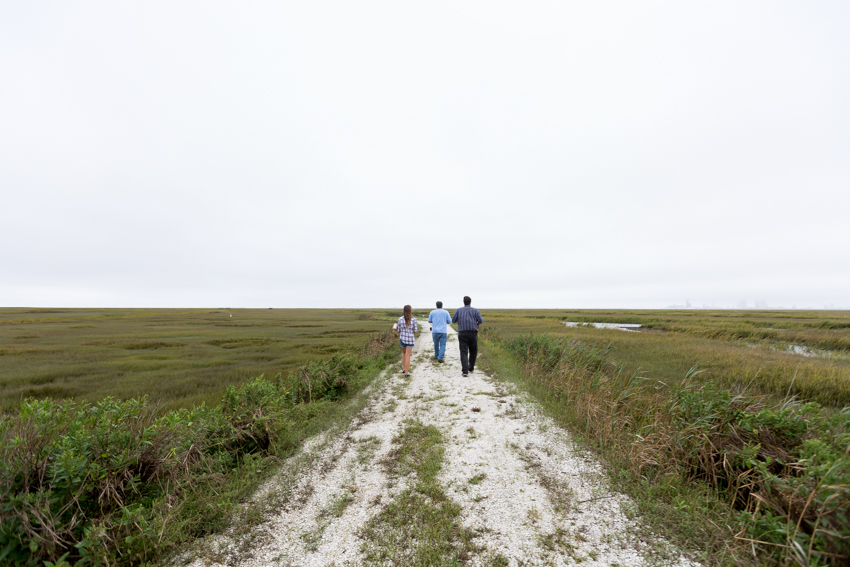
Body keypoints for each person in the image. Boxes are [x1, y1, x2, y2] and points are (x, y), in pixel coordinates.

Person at [451, 296, 483, 377]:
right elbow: (481, 320)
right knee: (473, 351)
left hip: (462, 333)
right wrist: (477, 324)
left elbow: (453, 320)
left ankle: (465, 371)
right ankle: (471, 367)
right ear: (470, 302)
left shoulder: (458, 310)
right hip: (473, 333)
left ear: (463, 302)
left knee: (463, 351)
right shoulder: (475, 310)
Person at [394, 305, 418, 377]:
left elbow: (398, 331)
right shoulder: (413, 320)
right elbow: (415, 331)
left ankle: (404, 369)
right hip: (410, 340)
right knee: (408, 356)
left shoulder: (400, 319)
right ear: (411, 310)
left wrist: (397, 327)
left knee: (404, 354)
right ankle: (406, 373)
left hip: (402, 339)